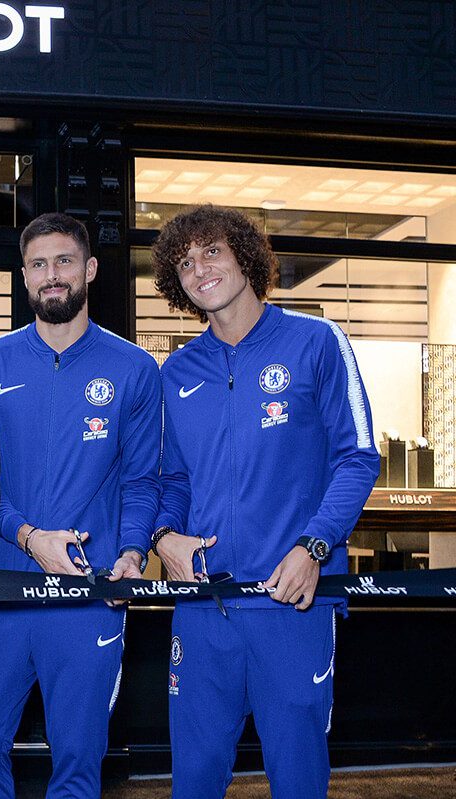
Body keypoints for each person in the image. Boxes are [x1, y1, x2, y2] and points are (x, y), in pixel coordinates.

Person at [150, 205, 379, 798]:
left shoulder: (317, 342)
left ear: (246, 256)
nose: (199, 269)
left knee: (298, 781)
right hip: (203, 609)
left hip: (292, 605)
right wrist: (163, 536)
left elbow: (356, 457)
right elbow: (170, 480)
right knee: (194, 783)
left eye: (211, 252)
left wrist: (314, 545)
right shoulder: (177, 371)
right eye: (185, 261)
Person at [0, 213, 161, 798]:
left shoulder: (134, 368)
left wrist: (131, 549)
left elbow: (143, 480)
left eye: (64, 261)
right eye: (39, 264)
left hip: (88, 591)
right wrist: (26, 535)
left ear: (90, 269)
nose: (53, 275)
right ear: (24, 276)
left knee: (78, 755)